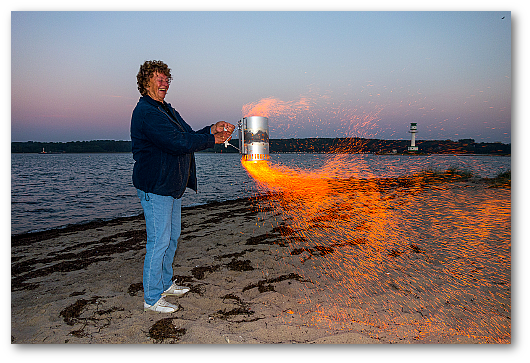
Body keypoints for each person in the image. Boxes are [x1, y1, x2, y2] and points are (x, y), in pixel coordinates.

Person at [131, 60, 235, 313]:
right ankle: (152, 299)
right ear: (145, 82)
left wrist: (212, 129)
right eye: (158, 78)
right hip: (155, 186)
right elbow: (176, 142)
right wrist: (213, 139)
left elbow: (188, 135)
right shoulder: (147, 112)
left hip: (172, 187)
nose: (164, 83)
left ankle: (165, 284)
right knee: (159, 241)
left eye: (167, 78)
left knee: (171, 238)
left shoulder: (167, 110)